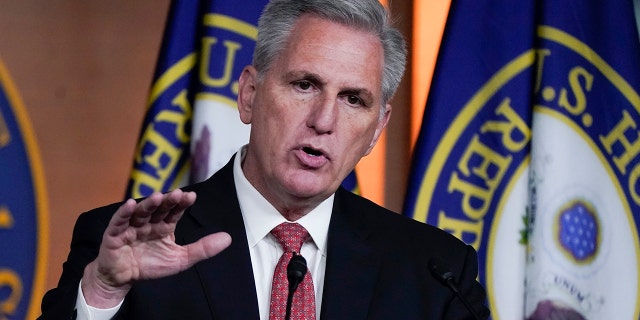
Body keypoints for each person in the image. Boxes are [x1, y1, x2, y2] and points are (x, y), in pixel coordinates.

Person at [39, 0, 490, 319]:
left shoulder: (435, 272)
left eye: (353, 99)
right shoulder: (123, 247)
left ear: (376, 128)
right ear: (250, 94)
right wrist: (102, 292)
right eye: (304, 85)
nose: (324, 120)